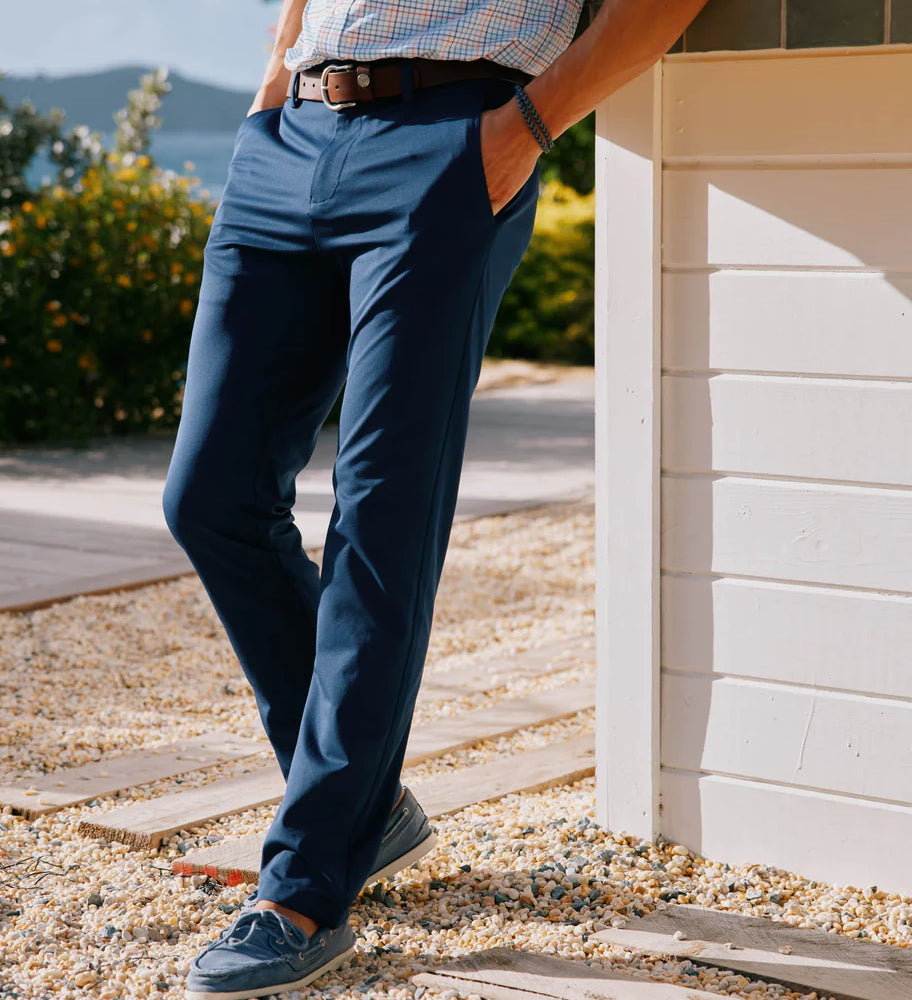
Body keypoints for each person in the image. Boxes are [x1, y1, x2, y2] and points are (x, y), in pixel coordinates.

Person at [162, 0, 709, 996]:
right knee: (209, 493)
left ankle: (305, 887)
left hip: (456, 134)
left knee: (382, 517)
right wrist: (276, 76)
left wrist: (529, 128)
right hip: (290, 130)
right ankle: (362, 802)